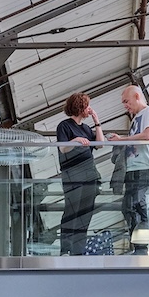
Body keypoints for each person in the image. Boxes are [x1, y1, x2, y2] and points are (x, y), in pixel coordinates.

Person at [55, 92, 104, 256]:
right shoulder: (64, 126)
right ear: (80, 107)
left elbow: (100, 144)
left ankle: (78, 250)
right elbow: (63, 148)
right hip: (72, 175)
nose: (89, 109)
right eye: (87, 106)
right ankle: (65, 248)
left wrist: (96, 121)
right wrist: (75, 140)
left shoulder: (86, 128)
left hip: (89, 174)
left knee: (85, 214)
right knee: (72, 211)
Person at [108, 85, 149, 236]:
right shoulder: (136, 118)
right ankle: (142, 243)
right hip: (132, 168)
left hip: (141, 168)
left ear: (137, 96)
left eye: (126, 101)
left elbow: (147, 135)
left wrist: (121, 139)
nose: (125, 105)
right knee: (138, 207)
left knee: (129, 206)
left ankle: (139, 242)